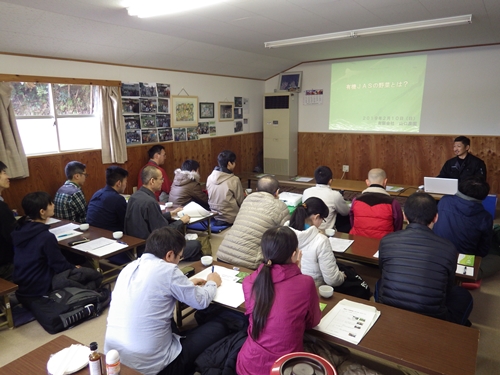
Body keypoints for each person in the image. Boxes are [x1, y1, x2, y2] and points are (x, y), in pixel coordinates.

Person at [104, 227, 229, 375]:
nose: (178, 261)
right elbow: (201, 301)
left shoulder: (128, 269)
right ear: (169, 255)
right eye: (180, 257)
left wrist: (186, 284)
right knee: (220, 327)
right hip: (156, 368)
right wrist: (212, 282)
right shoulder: (168, 271)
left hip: (115, 362)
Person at [376, 192, 473, 326]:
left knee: (380, 283)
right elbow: (448, 286)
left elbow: (383, 270)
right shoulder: (449, 247)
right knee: (464, 296)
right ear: (436, 217)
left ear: (404, 216)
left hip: (389, 305)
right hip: (433, 315)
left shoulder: (386, 240)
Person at [236, 226, 321, 375]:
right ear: (294, 254)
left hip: (247, 365)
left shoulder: (249, 281)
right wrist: (297, 271)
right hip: (285, 367)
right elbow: (312, 322)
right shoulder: (306, 283)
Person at [12, 192, 75, 309]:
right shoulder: (45, 237)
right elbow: (59, 265)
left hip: (22, 286)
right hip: (40, 288)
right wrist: (74, 268)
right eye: (50, 203)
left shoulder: (20, 229)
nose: (53, 205)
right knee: (86, 274)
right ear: (42, 212)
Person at [125, 166, 201, 260]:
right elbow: (163, 233)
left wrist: (170, 214)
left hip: (135, 247)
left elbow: (151, 218)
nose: (163, 181)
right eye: (161, 179)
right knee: (196, 244)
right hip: (151, 250)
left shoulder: (134, 197)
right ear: (152, 181)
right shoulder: (150, 202)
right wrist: (181, 221)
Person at [217, 176, 290, 269]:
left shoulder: (247, 199)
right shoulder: (281, 206)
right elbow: (286, 236)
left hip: (223, 254)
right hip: (250, 263)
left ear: (256, 189)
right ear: (277, 192)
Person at [288, 197, 345, 287]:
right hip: (313, 287)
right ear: (316, 217)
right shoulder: (321, 241)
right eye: (322, 220)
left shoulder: (283, 232)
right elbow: (332, 280)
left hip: (289, 283)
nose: (321, 223)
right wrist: (342, 276)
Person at [433, 176, 493, 257]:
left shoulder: (444, 200)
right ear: (484, 196)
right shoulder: (486, 217)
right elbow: (483, 251)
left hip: (436, 251)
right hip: (464, 259)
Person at [349, 168, 403, 239]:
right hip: (384, 244)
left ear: (367, 182)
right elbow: (398, 227)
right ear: (385, 182)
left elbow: (352, 222)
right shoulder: (393, 203)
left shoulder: (355, 200)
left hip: (358, 241)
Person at [302, 166, 350, 231]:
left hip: (308, 229)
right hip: (326, 232)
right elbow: (346, 212)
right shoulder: (335, 195)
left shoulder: (306, 191)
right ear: (330, 181)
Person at [206, 150, 244, 226]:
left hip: (215, 214)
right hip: (231, 216)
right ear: (230, 163)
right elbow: (240, 201)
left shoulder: (210, 177)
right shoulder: (234, 179)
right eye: (234, 162)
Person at [87, 166, 129, 232]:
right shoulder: (118, 199)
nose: (126, 184)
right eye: (125, 182)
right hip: (110, 236)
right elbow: (126, 223)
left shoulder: (97, 193)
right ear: (118, 183)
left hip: (91, 233)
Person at [0, 161, 17, 280]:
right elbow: (14, 237)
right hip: (5, 266)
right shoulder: (1, 208)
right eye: (4, 173)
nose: (8, 177)